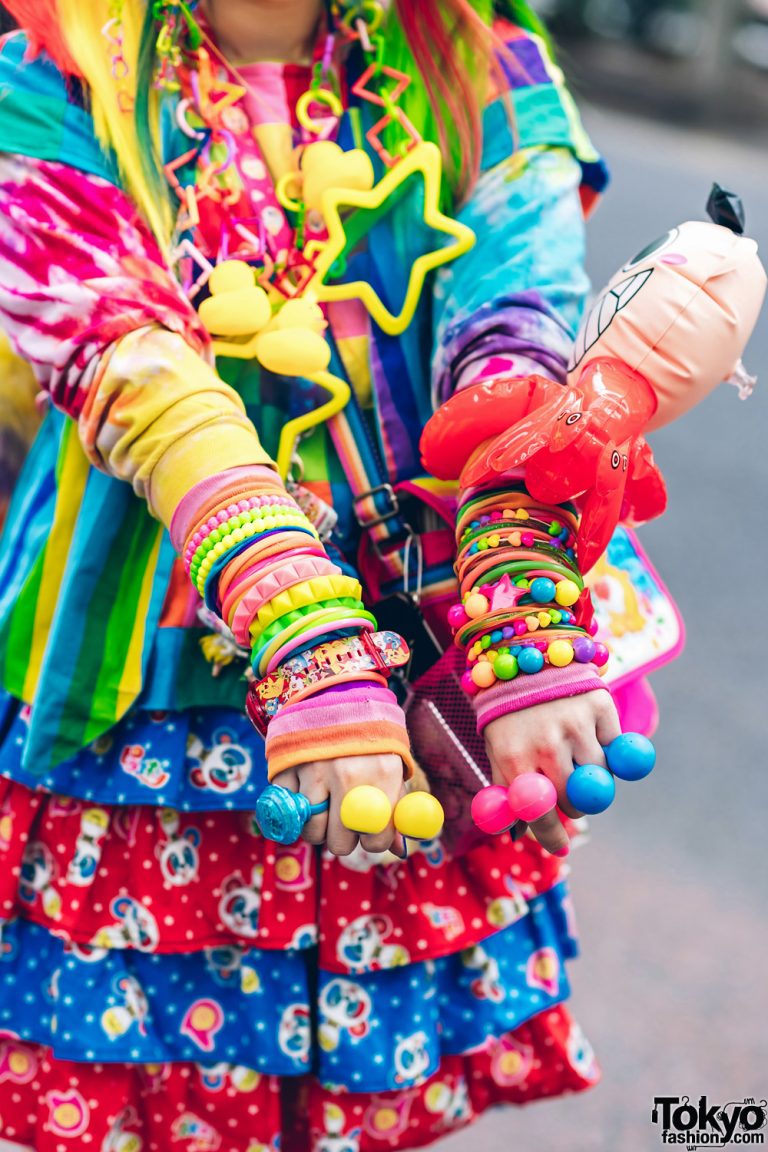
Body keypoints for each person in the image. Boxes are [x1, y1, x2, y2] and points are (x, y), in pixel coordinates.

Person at [0, 1, 627, 1149]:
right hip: (146, 700)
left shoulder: (482, 58)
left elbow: (520, 318)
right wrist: (303, 627)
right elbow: (128, 363)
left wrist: (519, 577)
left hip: (431, 673)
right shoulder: (51, 73)